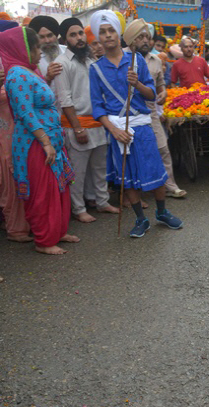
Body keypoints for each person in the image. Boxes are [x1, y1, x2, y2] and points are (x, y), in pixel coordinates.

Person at [89, 12, 183, 238]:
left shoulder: (136, 60)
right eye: (102, 32)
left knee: (156, 170)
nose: (108, 35)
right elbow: (97, 107)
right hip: (117, 129)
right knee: (126, 177)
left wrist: (137, 83)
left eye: (111, 30)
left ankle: (161, 212)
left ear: (118, 33)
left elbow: (151, 95)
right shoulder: (96, 69)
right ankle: (141, 219)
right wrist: (114, 131)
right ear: (98, 37)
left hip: (141, 126)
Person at [2, 26, 78, 254]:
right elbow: (25, 113)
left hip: (50, 140)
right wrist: (45, 141)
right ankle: (44, 241)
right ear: (21, 48)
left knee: (59, 187)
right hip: (34, 144)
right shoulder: (16, 75)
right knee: (43, 192)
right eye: (35, 47)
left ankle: (58, 231)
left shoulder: (30, 70)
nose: (38, 52)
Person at [52, 18, 119, 223]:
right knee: (78, 172)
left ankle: (102, 201)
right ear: (64, 39)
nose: (79, 38)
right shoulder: (62, 63)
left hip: (98, 123)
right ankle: (78, 208)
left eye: (81, 33)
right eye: (73, 35)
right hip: (78, 126)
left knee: (100, 169)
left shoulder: (90, 61)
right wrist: (78, 128)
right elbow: (65, 99)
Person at [133, 22, 186, 199]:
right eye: (141, 37)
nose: (145, 41)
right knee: (134, 153)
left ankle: (170, 185)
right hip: (128, 114)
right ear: (131, 39)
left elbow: (161, 84)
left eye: (148, 37)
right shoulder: (124, 57)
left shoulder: (156, 61)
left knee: (163, 148)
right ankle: (135, 191)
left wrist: (163, 93)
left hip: (151, 113)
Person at [0, 20, 32, 243]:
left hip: (21, 133)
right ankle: (15, 228)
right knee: (9, 181)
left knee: (21, 176)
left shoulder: (19, 66)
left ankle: (29, 223)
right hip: (5, 135)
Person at [28, 16, 64, 84]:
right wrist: (48, 78)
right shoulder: (32, 58)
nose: (47, 41)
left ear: (56, 35)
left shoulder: (66, 51)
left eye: (50, 35)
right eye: (41, 37)